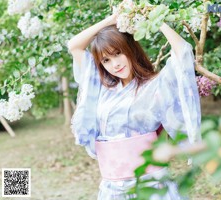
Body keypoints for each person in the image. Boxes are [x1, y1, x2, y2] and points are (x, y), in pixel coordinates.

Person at [68, 11, 201, 200]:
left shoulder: (154, 86)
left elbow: (182, 51)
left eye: (118, 53)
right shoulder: (102, 88)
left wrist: (155, 18)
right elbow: (74, 46)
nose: (114, 64)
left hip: (150, 184)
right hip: (112, 186)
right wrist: (112, 20)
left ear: (130, 49)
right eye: (106, 60)